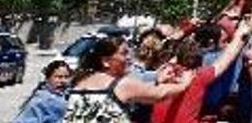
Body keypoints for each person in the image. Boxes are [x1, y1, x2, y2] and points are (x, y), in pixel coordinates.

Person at [63, 36, 192, 123]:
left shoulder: (79, 83)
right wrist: (184, 84)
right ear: (106, 61)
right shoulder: (120, 85)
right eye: (124, 53)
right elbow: (159, 94)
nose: (130, 58)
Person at [152, 17, 252, 123]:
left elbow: (164, 47)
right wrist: (244, 29)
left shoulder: (161, 75)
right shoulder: (198, 76)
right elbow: (228, 55)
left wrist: (185, 31)